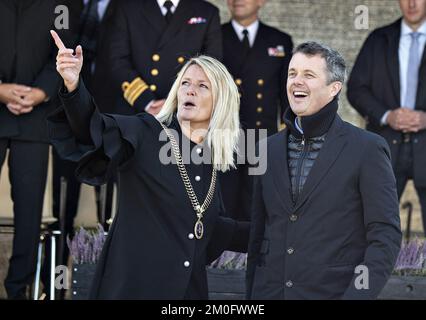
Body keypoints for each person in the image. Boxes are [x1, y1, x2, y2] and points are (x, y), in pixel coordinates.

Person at [49, 30, 248, 299]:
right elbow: (93, 127)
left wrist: (283, 232)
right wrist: (74, 86)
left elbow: (210, 229)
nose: (190, 89)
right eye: (185, 82)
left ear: (220, 101)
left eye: (203, 86)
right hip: (133, 289)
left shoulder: (211, 160)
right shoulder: (144, 131)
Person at [246, 42, 402, 300]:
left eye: (309, 75)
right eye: (292, 73)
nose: (297, 81)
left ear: (334, 88)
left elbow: (384, 237)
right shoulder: (265, 149)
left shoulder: (368, 149)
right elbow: (258, 237)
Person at [347, 0, 426, 235]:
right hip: (385, 145)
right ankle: (370, 273)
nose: (411, 3)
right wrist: (387, 115)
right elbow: (356, 89)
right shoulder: (378, 40)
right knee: (373, 224)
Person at [0, 0, 61, 299]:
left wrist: (40, 92)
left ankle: (18, 290)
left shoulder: (58, 5)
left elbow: (63, 51)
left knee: (29, 212)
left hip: (35, 117)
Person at [220, 0, 293, 221]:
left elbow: (286, 93)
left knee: (255, 207)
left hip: (262, 137)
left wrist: (289, 135)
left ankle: (248, 257)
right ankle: (221, 257)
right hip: (224, 135)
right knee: (223, 203)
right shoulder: (213, 35)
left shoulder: (279, 40)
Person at [108, 0, 222, 116]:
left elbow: (211, 66)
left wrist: (173, 102)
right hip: (136, 110)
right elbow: (118, 61)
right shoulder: (128, 7)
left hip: (183, 111)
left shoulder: (207, 11)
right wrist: (146, 101)